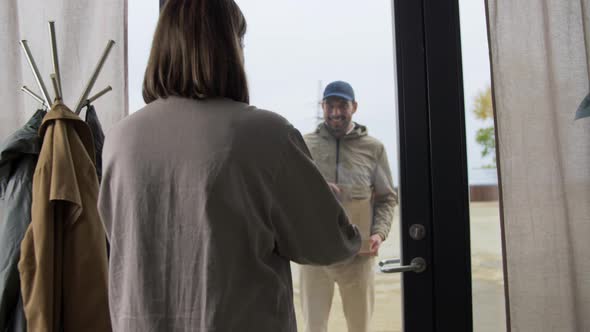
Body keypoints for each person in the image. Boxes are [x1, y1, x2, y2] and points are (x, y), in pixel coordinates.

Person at [97, 1, 361, 331]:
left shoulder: (120, 139)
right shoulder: (266, 135)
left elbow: (119, 241)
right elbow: (331, 242)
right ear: (229, 47)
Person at [300, 81, 398, 332]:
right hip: (314, 255)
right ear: (322, 107)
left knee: (359, 327)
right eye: (330, 105)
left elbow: (387, 198)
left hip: (358, 255)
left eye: (342, 105)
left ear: (354, 107)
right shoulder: (302, 144)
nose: (335, 112)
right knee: (313, 327)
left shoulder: (374, 148)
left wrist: (379, 232)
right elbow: (288, 193)